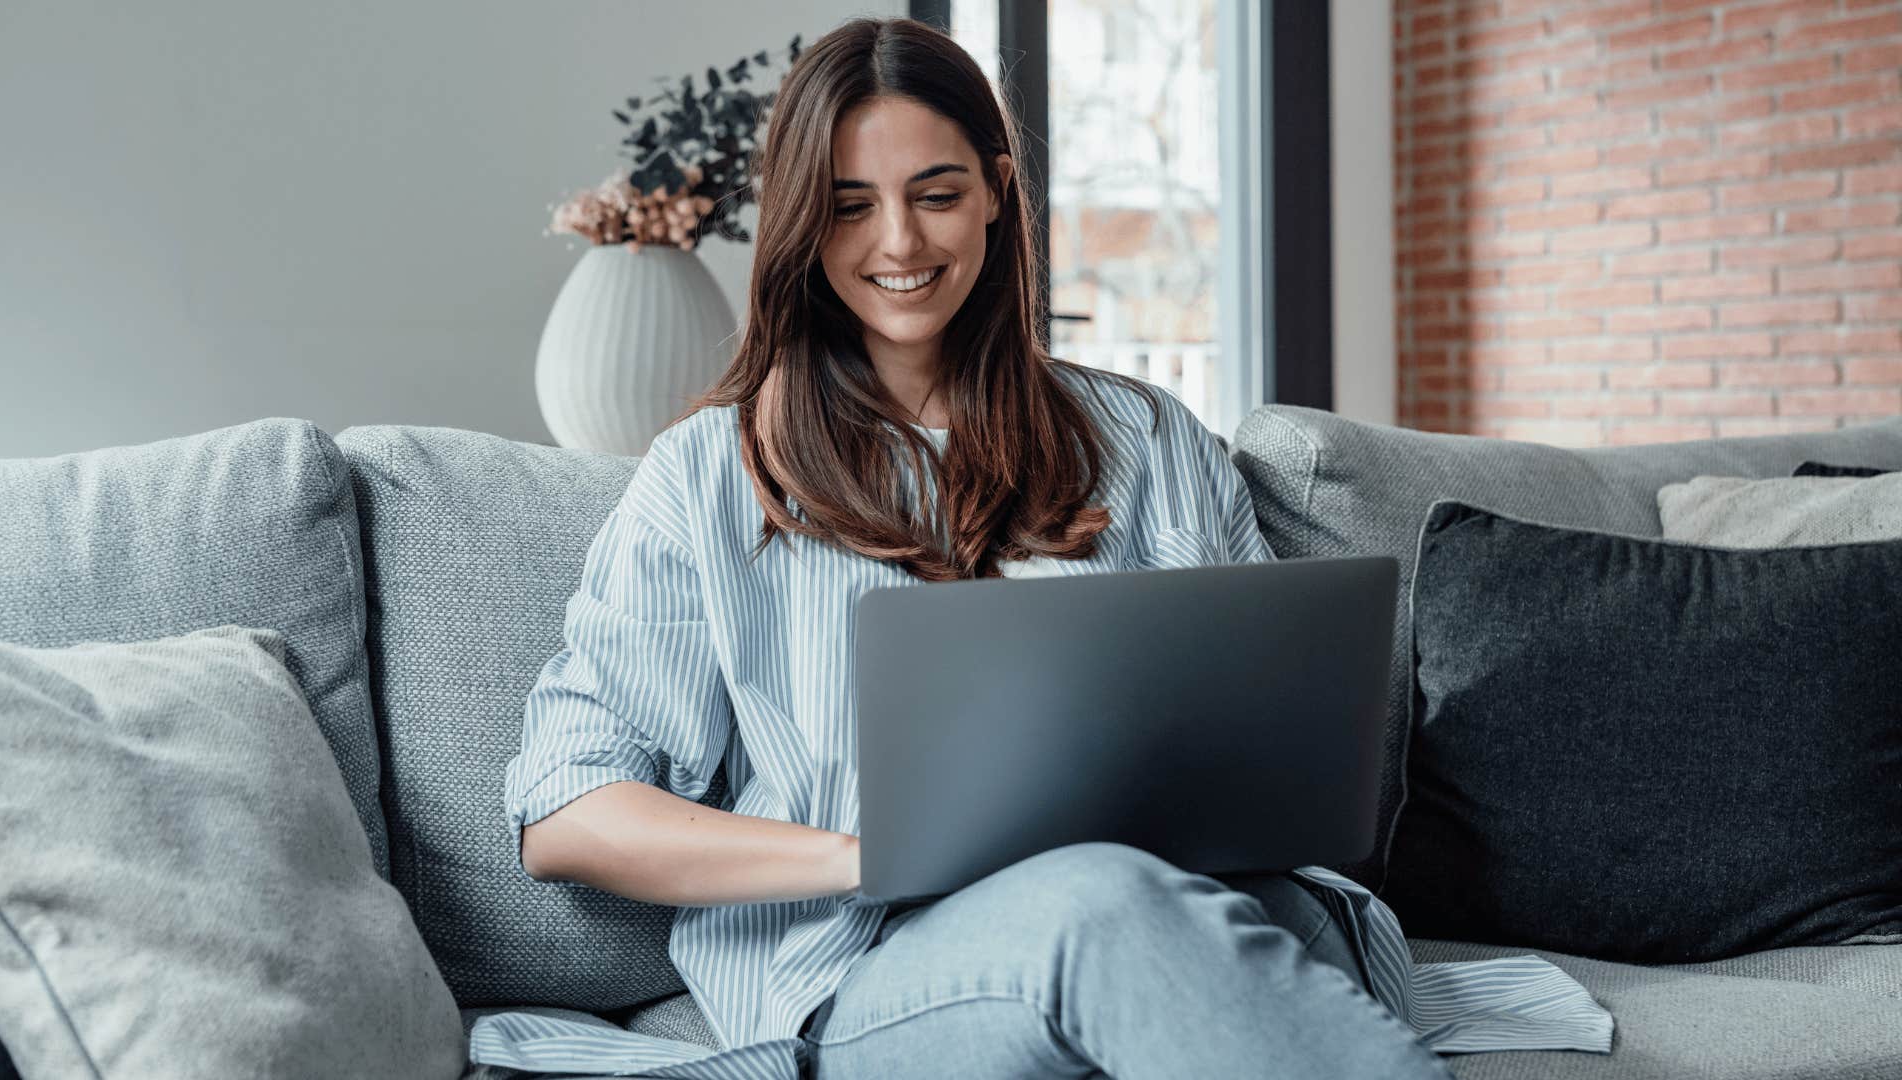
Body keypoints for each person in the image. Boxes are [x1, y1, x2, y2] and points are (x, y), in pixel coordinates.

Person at [473, 16, 1611, 1080]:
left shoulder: (1147, 436)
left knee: (1198, 905)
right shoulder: (710, 476)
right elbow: (570, 816)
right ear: (800, 224)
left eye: (937, 193)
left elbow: (1275, 737)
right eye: (851, 204)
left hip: (1204, 902)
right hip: (880, 962)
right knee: (1097, 903)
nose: (901, 241)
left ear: (998, 199)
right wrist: (869, 854)